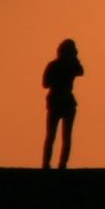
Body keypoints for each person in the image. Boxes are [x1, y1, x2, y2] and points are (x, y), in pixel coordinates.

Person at [39, 38, 83, 171]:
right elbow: (45, 83)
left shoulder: (54, 65)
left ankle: (51, 165)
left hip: (59, 101)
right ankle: (55, 165)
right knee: (59, 136)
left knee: (55, 136)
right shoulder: (61, 65)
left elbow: (45, 83)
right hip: (60, 101)